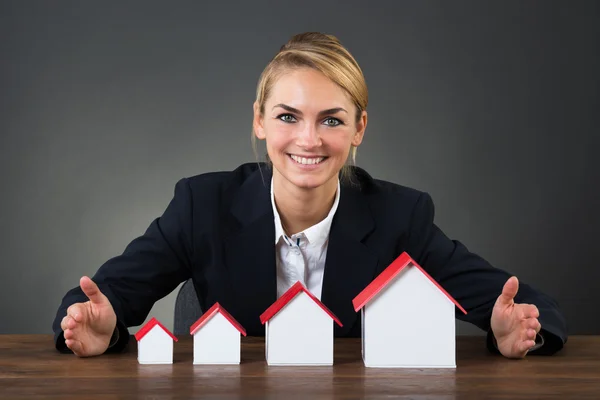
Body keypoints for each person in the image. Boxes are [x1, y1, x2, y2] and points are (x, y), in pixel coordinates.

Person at [53, 32, 567, 359]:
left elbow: (529, 307)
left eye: (332, 120)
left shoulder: (400, 217)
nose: (309, 139)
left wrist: (513, 328)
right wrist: (103, 327)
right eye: (287, 116)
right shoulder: (201, 206)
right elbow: (93, 303)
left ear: (359, 128)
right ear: (259, 120)